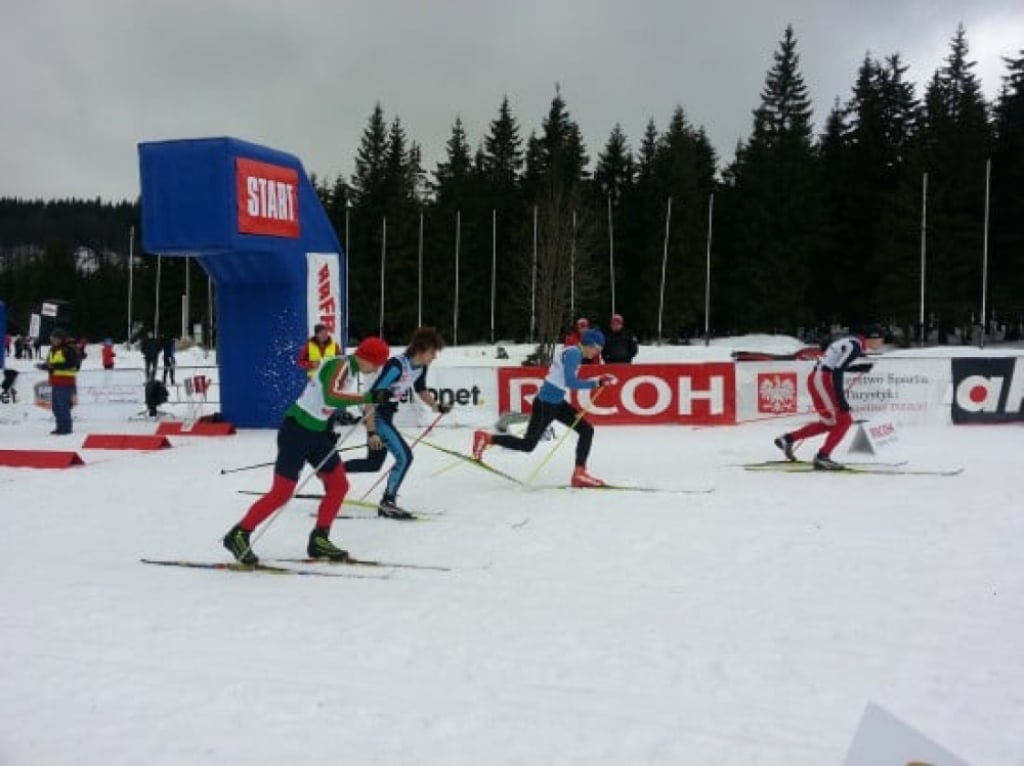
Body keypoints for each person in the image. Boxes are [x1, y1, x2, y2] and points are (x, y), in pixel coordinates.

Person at [222, 336, 392, 565]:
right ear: (367, 358)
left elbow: (326, 400)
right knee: (282, 492)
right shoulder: (340, 365)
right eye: (378, 363)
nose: (378, 368)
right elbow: (332, 395)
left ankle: (319, 540)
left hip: (317, 434)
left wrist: (330, 424)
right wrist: (370, 396)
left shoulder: (349, 370)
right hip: (297, 432)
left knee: (338, 485)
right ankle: (239, 534)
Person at [472, 329, 616, 487]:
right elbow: (570, 382)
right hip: (546, 404)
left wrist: (597, 381)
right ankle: (487, 438)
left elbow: (563, 378)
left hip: (556, 402)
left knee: (586, 430)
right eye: (598, 348)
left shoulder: (572, 351)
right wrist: (596, 383)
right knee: (528, 445)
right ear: (590, 344)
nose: (597, 352)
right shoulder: (574, 354)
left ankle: (579, 474)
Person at [344, 327, 450, 520]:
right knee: (405, 457)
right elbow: (370, 398)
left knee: (372, 464)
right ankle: (388, 503)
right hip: (377, 416)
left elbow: (421, 389)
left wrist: (436, 406)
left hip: (387, 415)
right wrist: (371, 433)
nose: (434, 357)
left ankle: (332, 471)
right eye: (433, 352)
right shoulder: (396, 365)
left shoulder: (421, 367)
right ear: (422, 348)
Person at [773, 326, 884, 470]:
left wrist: (858, 369)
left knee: (829, 423)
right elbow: (837, 371)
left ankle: (788, 439)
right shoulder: (855, 346)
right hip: (822, 379)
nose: (882, 343)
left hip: (817, 378)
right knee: (845, 420)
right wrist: (841, 399)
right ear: (873, 338)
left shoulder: (852, 342)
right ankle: (822, 457)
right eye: (881, 339)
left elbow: (835, 365)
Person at [37, 328, 79, 435]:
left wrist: (53, 366)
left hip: (65, 382)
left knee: (63, 406)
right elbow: (51, 364)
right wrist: (44, 366)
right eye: (51, 339)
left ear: (60, 339)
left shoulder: (68, 349)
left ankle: (66, 428)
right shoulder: (53, 349)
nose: (52, 340)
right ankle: (60, 427)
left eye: (54, 338)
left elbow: (72, 364)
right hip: (55, 382)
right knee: (56, 407)